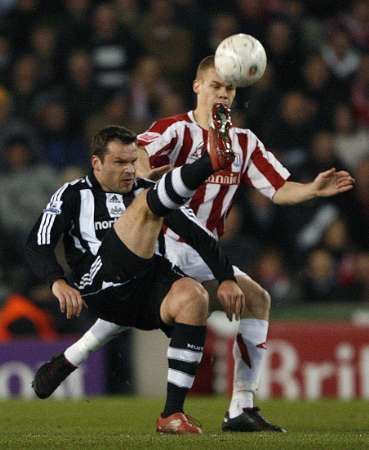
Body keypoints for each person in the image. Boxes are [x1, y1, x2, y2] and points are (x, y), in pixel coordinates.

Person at [31, 56, 354, 432]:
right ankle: (87, 363)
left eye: (229, 88)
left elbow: (280, 189)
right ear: (197, 87)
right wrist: (144, 169)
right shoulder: (174, 130)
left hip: (202, 246)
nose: (223, 93)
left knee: (257, 299)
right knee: (140, 298)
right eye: (216, 85)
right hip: (161, 240)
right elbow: (142, 152)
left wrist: (312, 189)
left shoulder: (245, 143)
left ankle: (240, 407)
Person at [26, 123, 245, 435]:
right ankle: (210, 162)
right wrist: (57, 281)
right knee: (147, 204)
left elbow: (200, 236)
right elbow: (38, 243)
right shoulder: (73, 195)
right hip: (100, 284)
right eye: (120, 162)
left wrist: (226, 278)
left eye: (132, 161)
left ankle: (171, 414)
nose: (129, 170)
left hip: (143, 290)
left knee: (194, 297)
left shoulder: (144, 191)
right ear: (96, 163)